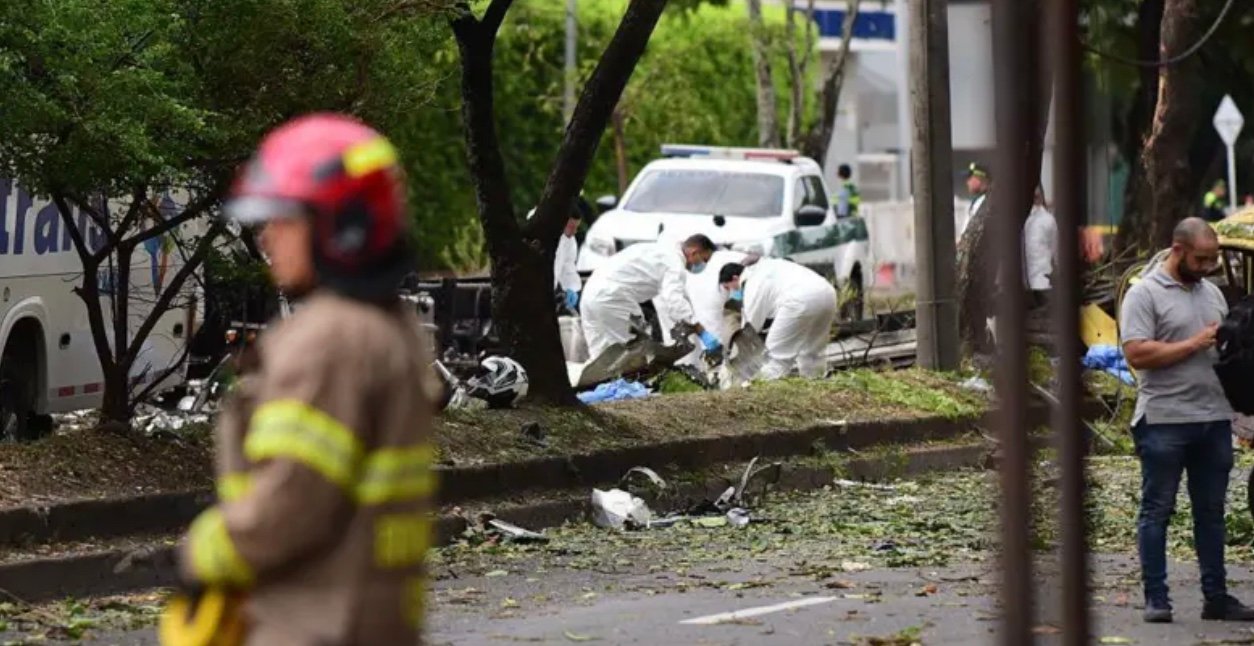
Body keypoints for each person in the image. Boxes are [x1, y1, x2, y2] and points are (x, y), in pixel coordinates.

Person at [171, 115, 438, 643]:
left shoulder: (329, 340)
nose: (268, 235)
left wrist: (204, 554)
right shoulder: (389, 327)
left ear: (345, 227)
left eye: (285, 219)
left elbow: (294, 499)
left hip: (310, 623)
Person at [1120, 217, 1254, 624]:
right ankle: (1156, 598)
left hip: (1213, 419)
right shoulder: (1144, 295)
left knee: (1211, 513)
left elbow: (1222, 351)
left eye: (1212, 259)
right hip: (1164, 419)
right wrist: (1194, 343)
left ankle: (1216, 597)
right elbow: (1137, 354)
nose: (1208, 265)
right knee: (1157, 510)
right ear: (1177, 250)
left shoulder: (1211, 293)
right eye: (1201, 258)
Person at [581, 241, 721, 360]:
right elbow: (674, 302)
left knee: (599, 356)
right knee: (635, 349)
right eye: (704, 259)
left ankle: (597, 389)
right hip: (612, 296)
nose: (703, 265)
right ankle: (630, 390)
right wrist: (700, 330)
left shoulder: (658, 250)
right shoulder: (675, 265)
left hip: (589, 293)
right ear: (694, 252)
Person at [718, 258, 837, 380]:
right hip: (827, 294)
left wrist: (732, 359)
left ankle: (762, 394)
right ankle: (816, 387)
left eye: (728, 288)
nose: (731, 292)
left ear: (735, 278)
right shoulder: (766, 267)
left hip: (798, 301)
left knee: (775, 360)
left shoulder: (752, 285)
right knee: (813, 353)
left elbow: (751, 329)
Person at [1023, 186, 1058, 307]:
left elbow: (1056, 252)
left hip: (1040, 285)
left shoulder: (1047, 220)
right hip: (1028, 287)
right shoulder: (1020, 219)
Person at [554, 202, 583, 312]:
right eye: (571, 227)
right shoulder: (541, 234)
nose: (574, 232)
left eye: (577, 227)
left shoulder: (569, 241)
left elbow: (568, 265)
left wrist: (571, 287)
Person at [958, 162, 991, 239]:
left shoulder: (988, 202)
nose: (967, 182)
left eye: (970, 177)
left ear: (979, 178)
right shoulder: (977, 201)